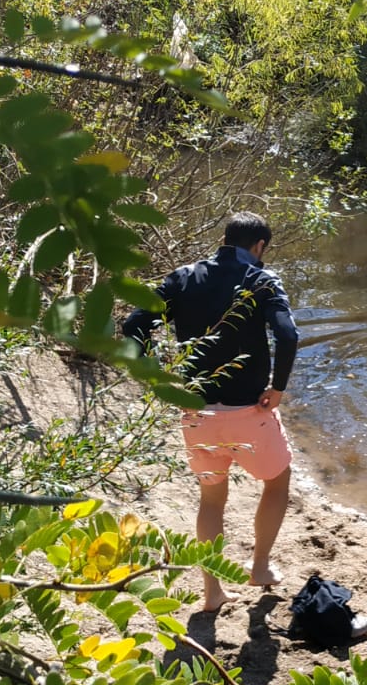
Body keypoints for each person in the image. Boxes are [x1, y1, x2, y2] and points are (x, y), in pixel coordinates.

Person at [122, 211, 300, 612]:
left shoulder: (181, 277)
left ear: (225, 238)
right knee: (277, 482)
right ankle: (260, 567)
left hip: (196, 410)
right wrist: (279, 387)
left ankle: (212, 592)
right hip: (249, 411)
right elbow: (288, 334)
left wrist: (157, 378)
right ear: (259, 247)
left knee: (211, 499)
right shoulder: (260, 279)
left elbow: (133, 326)